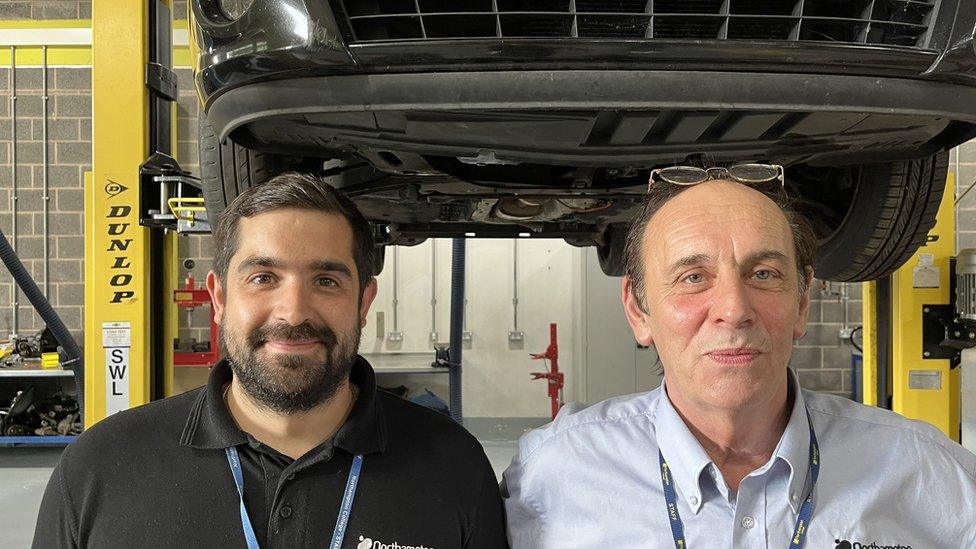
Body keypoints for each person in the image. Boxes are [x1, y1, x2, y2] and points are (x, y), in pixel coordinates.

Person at [502, 165, 976, 547]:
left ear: (801, 304)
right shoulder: (554, 471)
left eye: (765, 273)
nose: (734, 309)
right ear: (638, 310)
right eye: (692, 277)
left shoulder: (928, 472)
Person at [34, 173, 508, 548]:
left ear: (363, 302)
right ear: (218, 298)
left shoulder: (453, 467)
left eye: (326, 280)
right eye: (263, 277)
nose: (294, 312)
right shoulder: (100, 469)